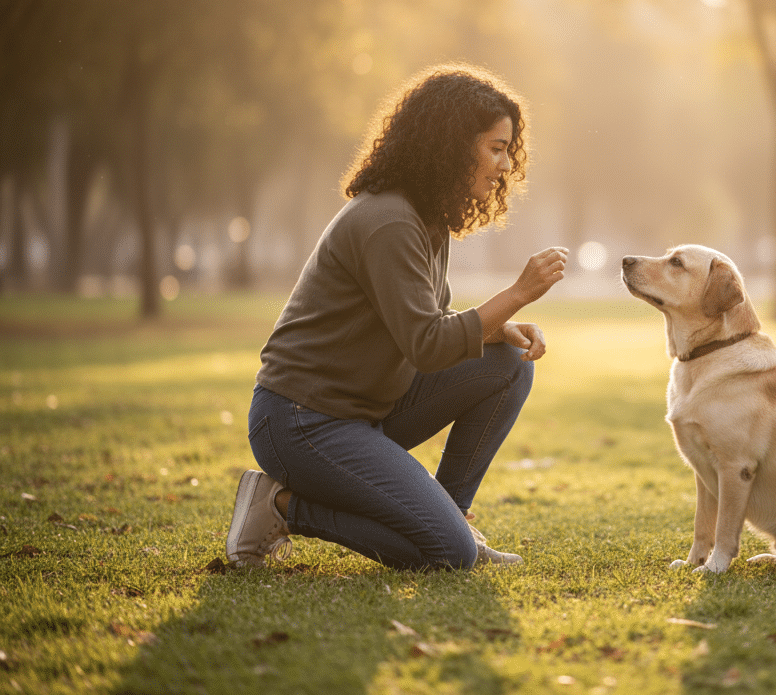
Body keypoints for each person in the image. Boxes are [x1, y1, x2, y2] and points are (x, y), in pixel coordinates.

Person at [225, 64, 567, 570]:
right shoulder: (388, 220)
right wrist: (518, 294)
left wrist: (498, 330)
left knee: (511, 361)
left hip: (366, 408)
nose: (503, 166)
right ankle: (280, 505)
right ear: (452, 144)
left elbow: (423, 320)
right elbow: (426, 344)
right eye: (495, 148)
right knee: (446, 554)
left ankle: (453, 516)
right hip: (302, 420)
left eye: (506, 151)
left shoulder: (428, 218)